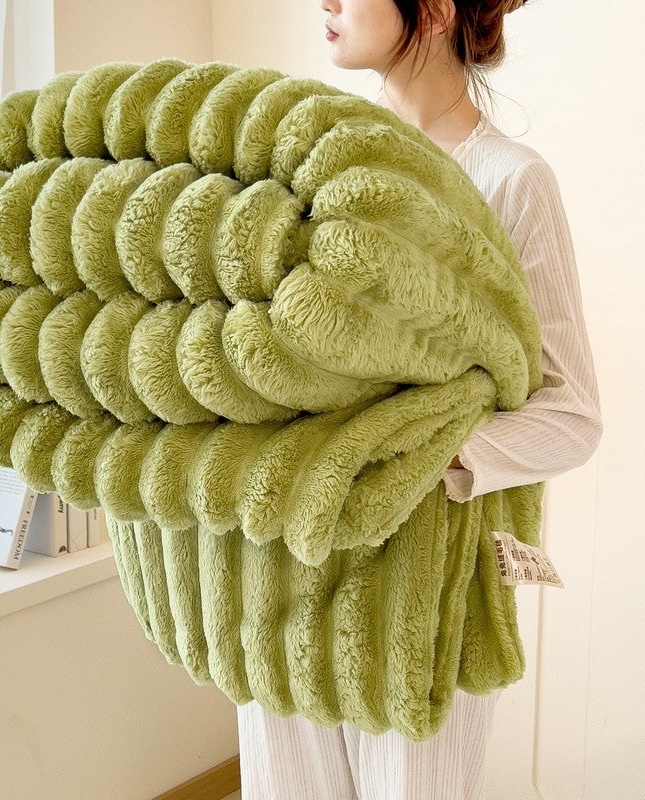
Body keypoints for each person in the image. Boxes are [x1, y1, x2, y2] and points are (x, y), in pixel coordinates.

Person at [235, 1, 604, 798]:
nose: (326, 2)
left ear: (433, 10)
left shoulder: (509, 181)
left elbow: (572, 414)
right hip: (283, 577)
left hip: (428, 596)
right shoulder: (302, 165)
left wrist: (409, 457)